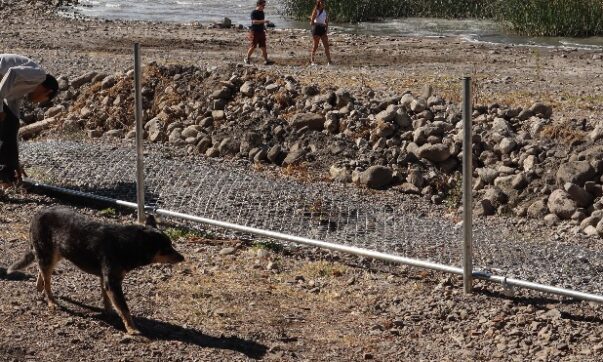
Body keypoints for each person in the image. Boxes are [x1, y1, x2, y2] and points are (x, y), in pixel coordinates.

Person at [0, 54, 58, 186]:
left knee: (11, 123)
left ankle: (7, 172)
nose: (37, 102)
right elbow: (12, 71)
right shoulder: (39, 75)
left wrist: (14, 160)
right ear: (47, 92)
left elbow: (13, 131)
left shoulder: (18, 93)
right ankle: (5, 176)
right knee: (7, 121)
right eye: (41, 100)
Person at [245, 0, 274, 65]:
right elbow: (254, 22)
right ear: (258, 5)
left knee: (263, 47)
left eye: (264, 5)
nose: (264, 7)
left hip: (261, 32)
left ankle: (266, 60)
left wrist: (264, 28)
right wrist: (264, 21)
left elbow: (261, 23)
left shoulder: (262, 13)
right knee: (253, 46)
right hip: (255, 31)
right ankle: (247, 58)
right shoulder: (254, 12)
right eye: (263, 5)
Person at [309, 0, 332, 66]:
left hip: (323, 30)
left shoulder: (325, 12)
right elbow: (311, 22)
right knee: (315, 46)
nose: (323, 3)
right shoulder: (316, 11)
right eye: (321, 2)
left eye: (323, 2)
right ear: (318, 3)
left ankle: (329, 61)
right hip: (316, 29)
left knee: (326, 46)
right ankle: (312, 61)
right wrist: (319, 24)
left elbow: (326, 22)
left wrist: (326, 30)